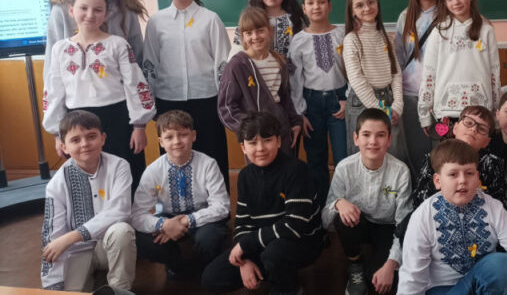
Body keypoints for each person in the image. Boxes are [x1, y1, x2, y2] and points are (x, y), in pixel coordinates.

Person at [42, 0, 155, 189]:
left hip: (118, 120)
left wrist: (139, 126)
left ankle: (130, 211)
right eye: (83, 8)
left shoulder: (118, 44)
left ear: (105, 15)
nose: (90, 14)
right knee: (88, 178)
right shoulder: (61, 49)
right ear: (71, 11)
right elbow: (53, 91)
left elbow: (135, 84)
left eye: (97, 10)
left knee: (127, 175)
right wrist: (58, 133)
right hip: (77, 121)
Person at [397, 139, 507, 295]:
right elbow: (412, 275)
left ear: (477, 177)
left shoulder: (493, 208)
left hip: (482, 286)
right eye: (453, 174)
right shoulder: (423, 215)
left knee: (503, 265)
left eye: (469, 173)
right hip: (443, 291)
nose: (463, 180)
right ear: (437, 181)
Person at [201, 111, 324, 295]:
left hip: (300, 242)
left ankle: (289, 289)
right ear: (243, 147)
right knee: (211, 278)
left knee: (273, 255)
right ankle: (271, 271)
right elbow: (242, 225)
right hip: (263, 242)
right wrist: (244, 261)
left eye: (267, 140)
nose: (260, 148)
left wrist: (246, 245)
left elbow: (294, 226)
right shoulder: (245, 176)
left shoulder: (296, 170)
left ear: (278, 141)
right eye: (252, 143)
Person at [142, 0, 232, 189]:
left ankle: (217, 207)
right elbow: (150, 63)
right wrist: (150, 103)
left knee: (212, 156)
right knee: (175, 159)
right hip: (168, 101)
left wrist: (224, 103)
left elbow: (222, 64)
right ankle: (177, 206)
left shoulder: (210, 19)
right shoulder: (156, 21)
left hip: (207, 100)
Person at [41, 110, 136, 292]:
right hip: (76, 252)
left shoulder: (119, 166)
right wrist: (52, 286)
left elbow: (120, 211)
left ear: (103, 138)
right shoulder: (56, 184)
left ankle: (119, 290)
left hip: (109, 245)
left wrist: (73, 236)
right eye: (75, 140)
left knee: (122, 230)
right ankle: (94, 277)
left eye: (91, 136)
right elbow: (53, 239)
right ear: (64, 147)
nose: (84, 144)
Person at [322, 108, 412, 295]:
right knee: (342, 217)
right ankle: (355, 263)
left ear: (389, 140)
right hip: (357, 224)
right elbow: (326, 221)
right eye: (366, 134)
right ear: (356, 138)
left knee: (379, 283)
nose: (373, 141)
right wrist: (338, 203)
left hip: (387, 228)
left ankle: (377, 264)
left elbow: (404, 223)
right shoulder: (344, 168)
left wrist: (391, 264)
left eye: (380, 135)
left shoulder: (401, 171)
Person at [131, 110, 229, 278]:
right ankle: (175, 266)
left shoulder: (208, 164)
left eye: (183, 135)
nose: (177, 141)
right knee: (142, 241)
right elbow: (137, 214)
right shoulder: (153, 170)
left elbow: (222, 206)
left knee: (209, 238)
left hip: (202, 218)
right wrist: (163, 225)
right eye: (169, 137)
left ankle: (205, 268)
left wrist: (185, 221)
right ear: (161, 142)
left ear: (193, 136)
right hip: (167, 217)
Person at [417, 0, 500, 139]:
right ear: (444, 1)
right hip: (446, 112)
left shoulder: (486, 30)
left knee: (476, 154)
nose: (456, 2)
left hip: (480, 111)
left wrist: (495, 113)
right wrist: (424, 113)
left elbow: (494, 73)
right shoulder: (439, 32)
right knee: (449, 155)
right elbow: (429, 74)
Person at [411, 106, 507, 223]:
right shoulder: (433, 158)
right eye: (469, 123)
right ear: (455, 128)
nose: (473, 129)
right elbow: (419, 202)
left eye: (481, 128)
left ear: (486, 142)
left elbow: (505, 210)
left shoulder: (492, 164)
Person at [288, 0, 348, 200]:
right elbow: (295, 80)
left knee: (343, 157)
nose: (316, 7)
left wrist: (347, 98)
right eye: (311, 3)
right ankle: (321, 208)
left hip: (339, 102)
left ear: (329, 5)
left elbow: (352, 68)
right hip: (311, 105)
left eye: (321, 2)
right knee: (315, 158)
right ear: (304, 8)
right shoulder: (298, 40)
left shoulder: (343, 34)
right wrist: (300, 113)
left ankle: (342, 206)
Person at [218, 7, 302, 155]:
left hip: (281, 132)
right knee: (260, 169)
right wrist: (247, 129)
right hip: (255, 138)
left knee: (286, 168)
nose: (255, 37)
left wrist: (295, 122)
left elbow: (286, 99)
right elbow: (226, 107)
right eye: (248, 33)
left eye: (260, 30)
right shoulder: (237, 66)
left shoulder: (279, 61)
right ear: (242, 37)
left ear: (270, 31)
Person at [394, 0, 445, 180]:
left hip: (440, 97)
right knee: (416, 154)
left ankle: (439, 192)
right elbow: (398, 56)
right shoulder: (406, 16)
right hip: (411, 95)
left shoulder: (449, 15)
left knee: (442, 151)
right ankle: (420, 194)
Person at [343, 0, 405, 158]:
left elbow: (396, 73)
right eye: (359, 5)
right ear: (352, 11)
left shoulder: (386, 37)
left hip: (389, 100)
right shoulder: (352, 39)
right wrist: (379, 109)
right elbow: (356, 79)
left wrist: (398, 105)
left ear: (377, 3)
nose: (367, 8)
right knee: (365, 156)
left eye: (371, 2)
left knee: (392, 154)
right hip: (363, 103)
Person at [230, 0, 306, 61]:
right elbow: (237, 51)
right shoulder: (249, 18)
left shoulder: (295, 19)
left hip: (289, 70)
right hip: (255, 70)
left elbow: (305, 53)